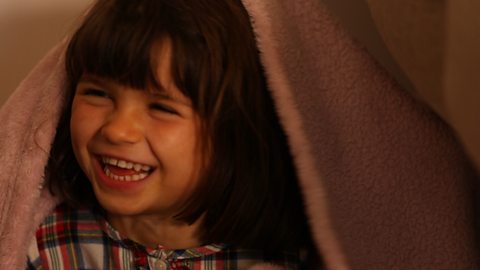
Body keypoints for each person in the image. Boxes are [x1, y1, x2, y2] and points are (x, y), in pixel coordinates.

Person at [25, 0, 313, 269]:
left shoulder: (293, 259)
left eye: (162, 107)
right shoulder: (39, 248)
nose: (117, 130)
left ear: (233, 131)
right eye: (98, 93)